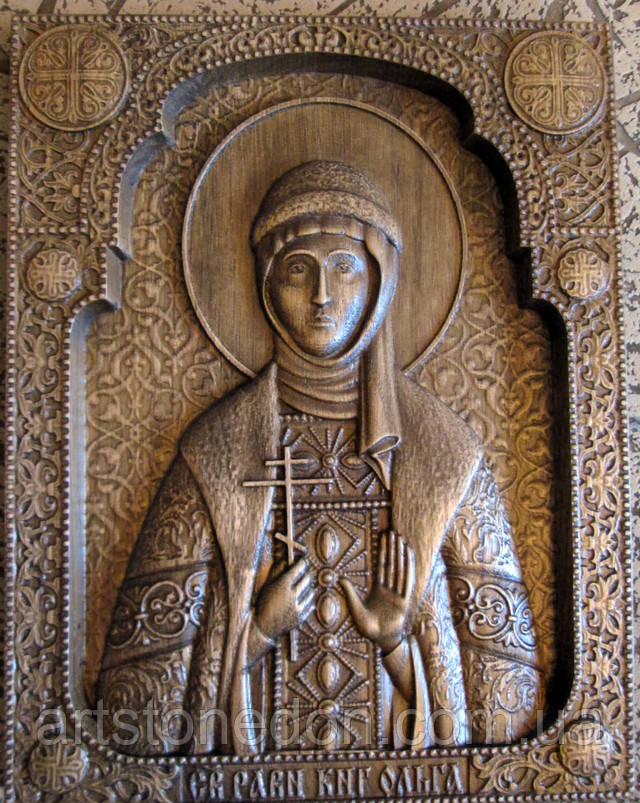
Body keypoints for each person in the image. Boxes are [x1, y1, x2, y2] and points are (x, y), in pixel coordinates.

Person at [97, 161, 542, 755]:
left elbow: (507, 703)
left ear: (380, 281)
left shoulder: (445, 454)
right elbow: (138, 701)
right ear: (266, 284)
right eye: (298, 270)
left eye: (344, 268)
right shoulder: (217, 450)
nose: (322, 296)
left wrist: (394, 644)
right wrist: (257, 632)